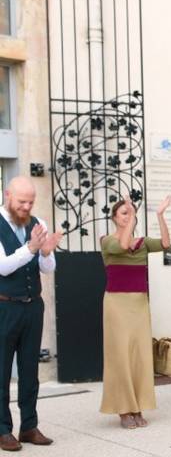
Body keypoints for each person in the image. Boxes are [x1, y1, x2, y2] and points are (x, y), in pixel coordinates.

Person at [100, 195, 171, 428]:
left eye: (130, 213)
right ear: (114, 218)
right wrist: (132, 214)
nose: (128, 216)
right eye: (123, 213)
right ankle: (123, 409)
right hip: (116, 305)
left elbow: (165, 244)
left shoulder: (142, 243)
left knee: (140, 356)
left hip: (139, 304)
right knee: (120, 356)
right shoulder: (107, 241)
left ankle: (138, 406)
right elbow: (122, 245)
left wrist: (160, 215)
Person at [0, 177, 60, 451]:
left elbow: (47, 268)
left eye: (31, 202)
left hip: (32, 306)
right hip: (4, 306)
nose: (26, 207)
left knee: (29, 369)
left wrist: (46, 253)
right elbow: (3, 266)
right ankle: (2, 429)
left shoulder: (38, 224)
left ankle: (29, 426)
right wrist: (32, 249)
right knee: (1, 370)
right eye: (21, 201)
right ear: (7, 195)